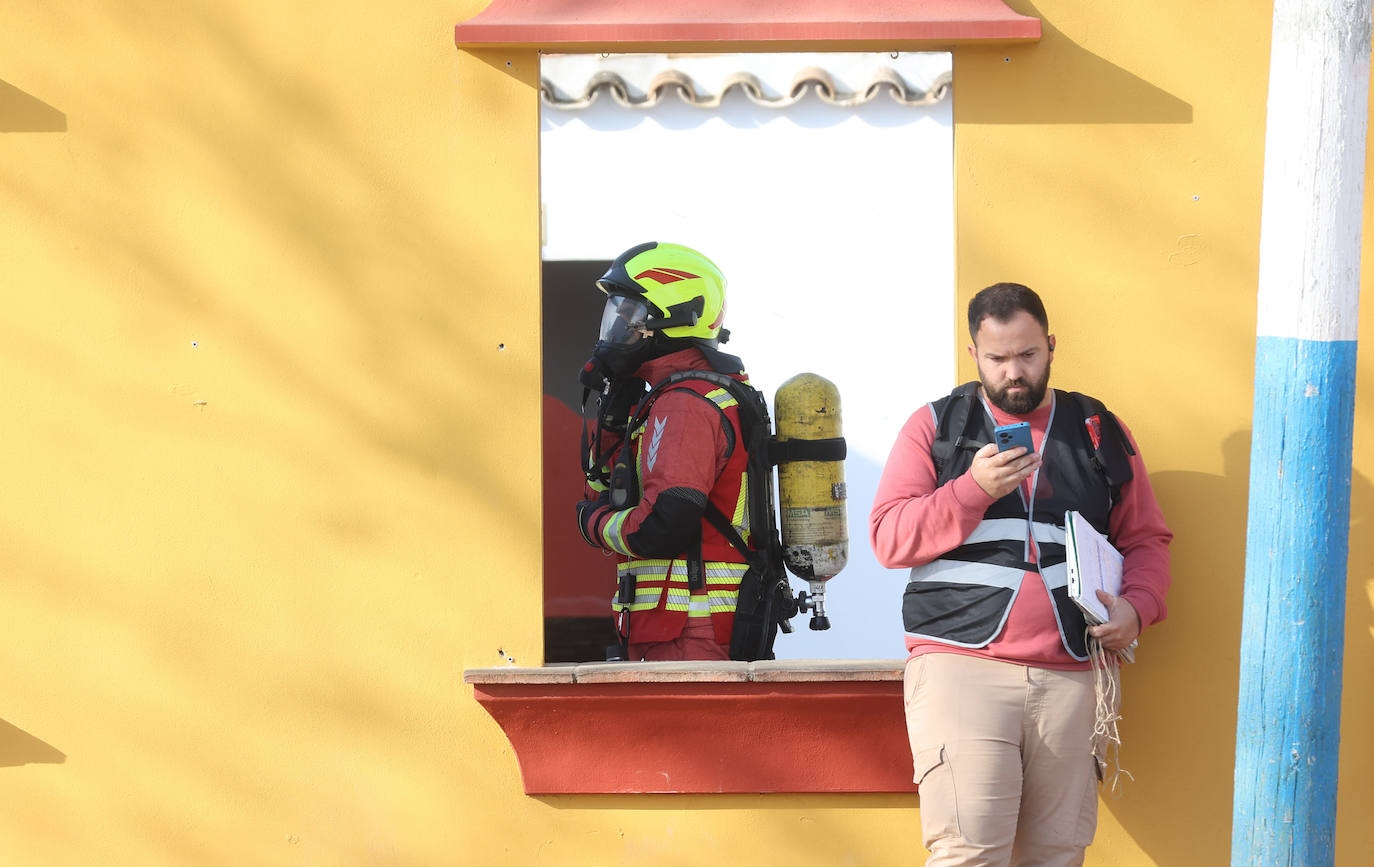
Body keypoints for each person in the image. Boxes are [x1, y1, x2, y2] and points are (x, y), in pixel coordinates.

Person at [869, 282, 1172, 866]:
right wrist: (970, 491)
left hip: (1072, 673)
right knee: (968, 853)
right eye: (998, 358)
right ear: (973, 355)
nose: (1014, 372)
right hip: (961, 665)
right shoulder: (936, 425)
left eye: (1027, 355)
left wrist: (1138, 608)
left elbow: (1146, 540)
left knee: (1058, 855)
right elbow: (890, 537)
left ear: (1051, 346)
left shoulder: (1098, 429)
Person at [574, 241, 760, 661]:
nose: (617, 324)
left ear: (670, 317)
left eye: (629, 313)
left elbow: (661, 525)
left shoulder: (684, 404)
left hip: (690, 638)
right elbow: (608, 486)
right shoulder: (672, 397)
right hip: (681, 633)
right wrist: (613, 414)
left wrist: (592, 524)